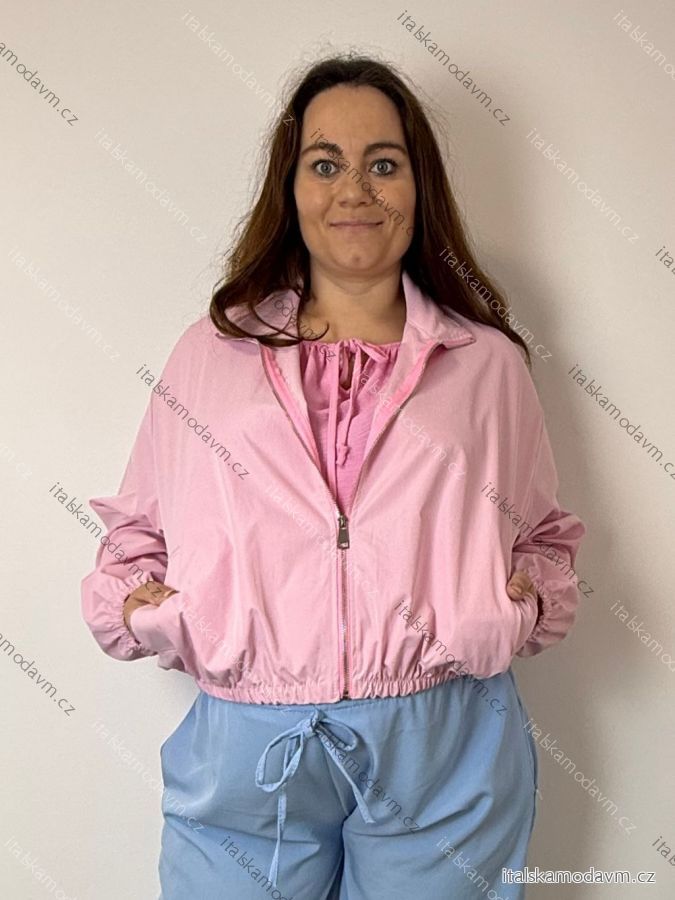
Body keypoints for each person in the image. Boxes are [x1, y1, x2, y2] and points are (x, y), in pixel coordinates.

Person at [81, 55, 586, 900]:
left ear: (418, 187)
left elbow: (541, 535)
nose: (354, 189)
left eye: (382, 164)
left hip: (443, 737)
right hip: (247, 740)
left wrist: (519, 604)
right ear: (291, 188)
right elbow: (138, 530)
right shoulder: (211, 352)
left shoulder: (485, 364)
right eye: (325, 164)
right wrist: (148, 608)